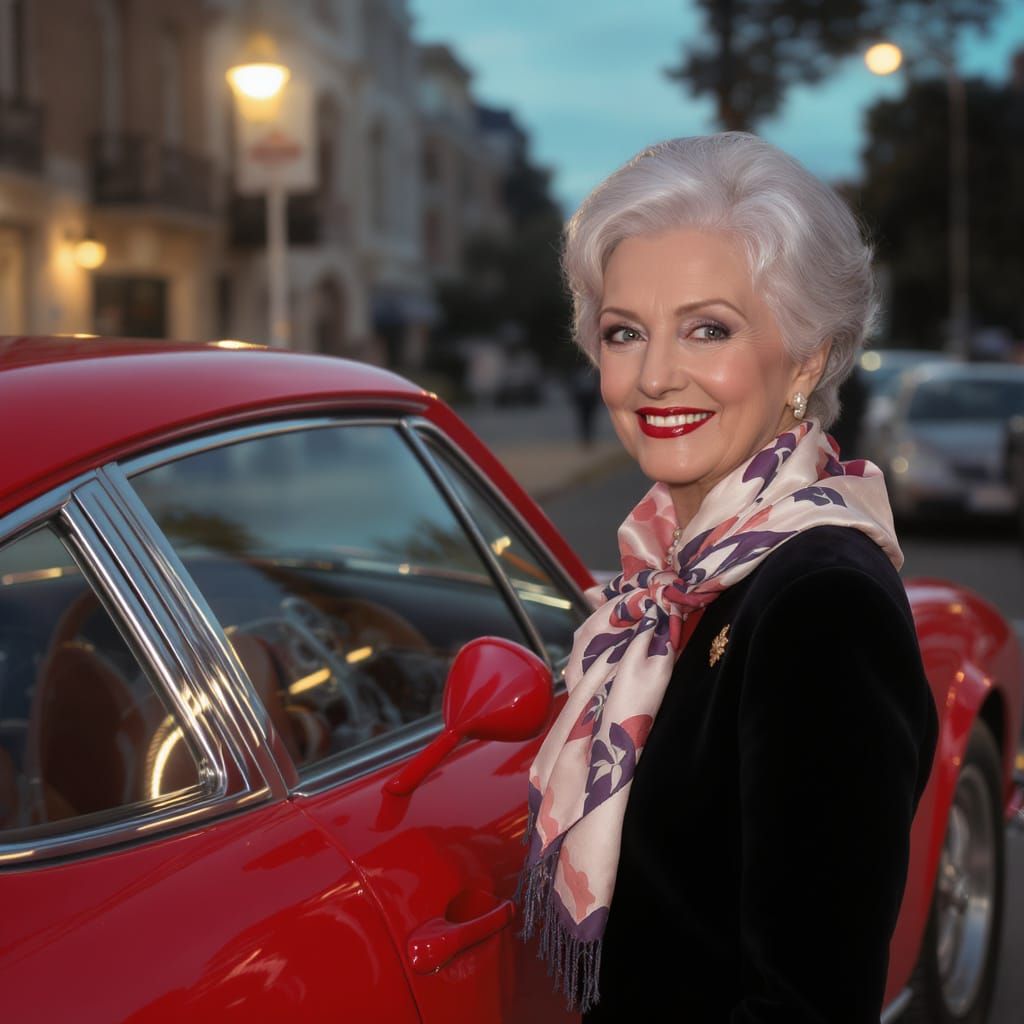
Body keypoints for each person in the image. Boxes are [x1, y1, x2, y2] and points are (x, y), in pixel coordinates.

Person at [518, 134, 938, 1022]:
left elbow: (809, 1001)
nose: (656, 375)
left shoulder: (820, 602)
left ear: (808, 358)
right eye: (624, 333)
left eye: (709, 329)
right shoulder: (671, 575)